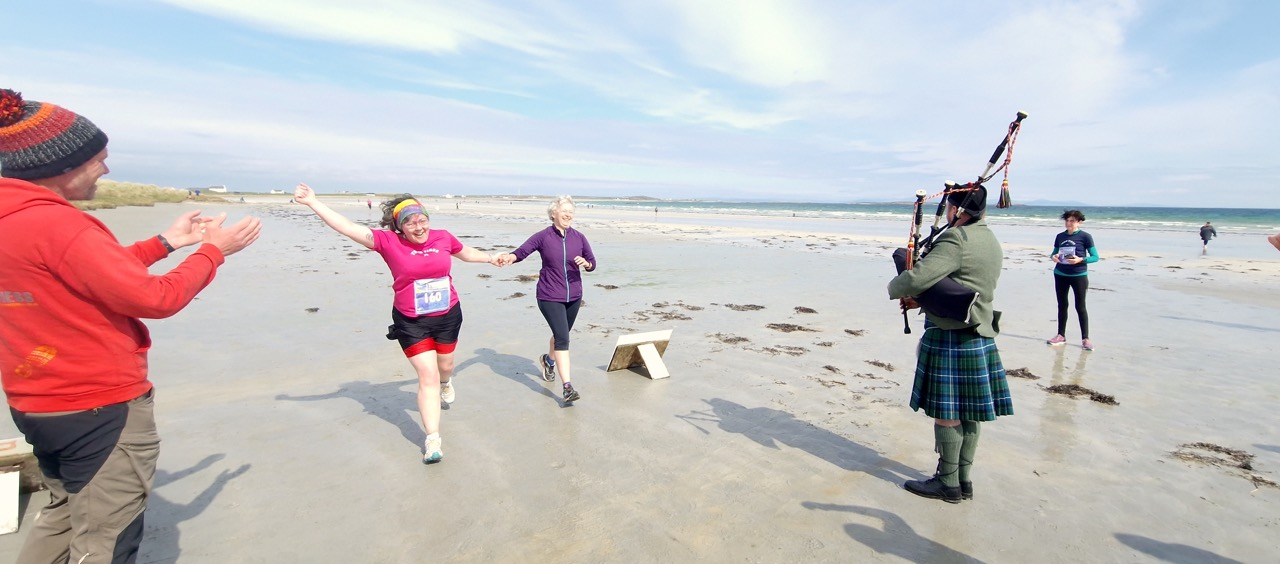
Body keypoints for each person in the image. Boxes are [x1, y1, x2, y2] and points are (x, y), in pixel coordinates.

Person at [0, 88, 261, 561]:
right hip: (97, 405)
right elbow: (156, 298)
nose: (106, 169)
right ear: (59, 166)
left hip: (36, 401)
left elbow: (82, 272)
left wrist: (165, 242)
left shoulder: (13, 216)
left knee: (62, 516)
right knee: (107, 540)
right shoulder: (57, 224)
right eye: (99, 159)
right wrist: (213, 251)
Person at [293, 183, 497, 464]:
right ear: (399, 227)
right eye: (411, 223)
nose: (419, 227)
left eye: (422, 220)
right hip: (411, 322)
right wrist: (313, 203)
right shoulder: (388, 242)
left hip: (448, 315)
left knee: (445, 367)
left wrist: (492, 258)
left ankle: (447, 382)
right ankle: (433, 440)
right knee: (427, 377)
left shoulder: (443, 238)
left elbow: (466, 253)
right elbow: (346, 226)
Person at [887, 185, 1013, 504]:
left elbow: (918, 278)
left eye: (950, 209)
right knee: (970, 413)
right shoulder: (989, 240)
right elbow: (963, 288)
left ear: (958, 210)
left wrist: (897, 286)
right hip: (980, 330)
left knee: (947, 412)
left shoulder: (956, 239)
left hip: (951, 334)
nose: (947, 214)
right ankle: (963, 480)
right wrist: (922, 303)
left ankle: (947, 484)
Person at [495, 196, 597, 404]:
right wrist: (509, 258)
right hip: (549, 295)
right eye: (564, 211)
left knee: (562, 335)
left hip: (574, 296)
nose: (569, 214)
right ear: (553, 214)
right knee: (563, 339)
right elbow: (522, 252)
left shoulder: (579, 237)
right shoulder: (543, 237)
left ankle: (548, 360)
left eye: (571, 211)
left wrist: (586, 263)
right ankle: (567, 387)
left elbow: (593, 263)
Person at [1045, 210, 1099, 351]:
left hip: (1078, 275)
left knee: (1080, 307)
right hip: (1060, 274)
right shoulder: (1060, 236)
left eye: (1072, 221)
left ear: (1079, 222)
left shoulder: (1085, 237)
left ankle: (1085, 339)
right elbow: (1053, 253)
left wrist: (1081, 259)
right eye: (1067, 220)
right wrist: (1054, 257)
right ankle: (1060, 335)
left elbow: (1095, 257)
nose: (1069, 223)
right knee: (1062, 305)